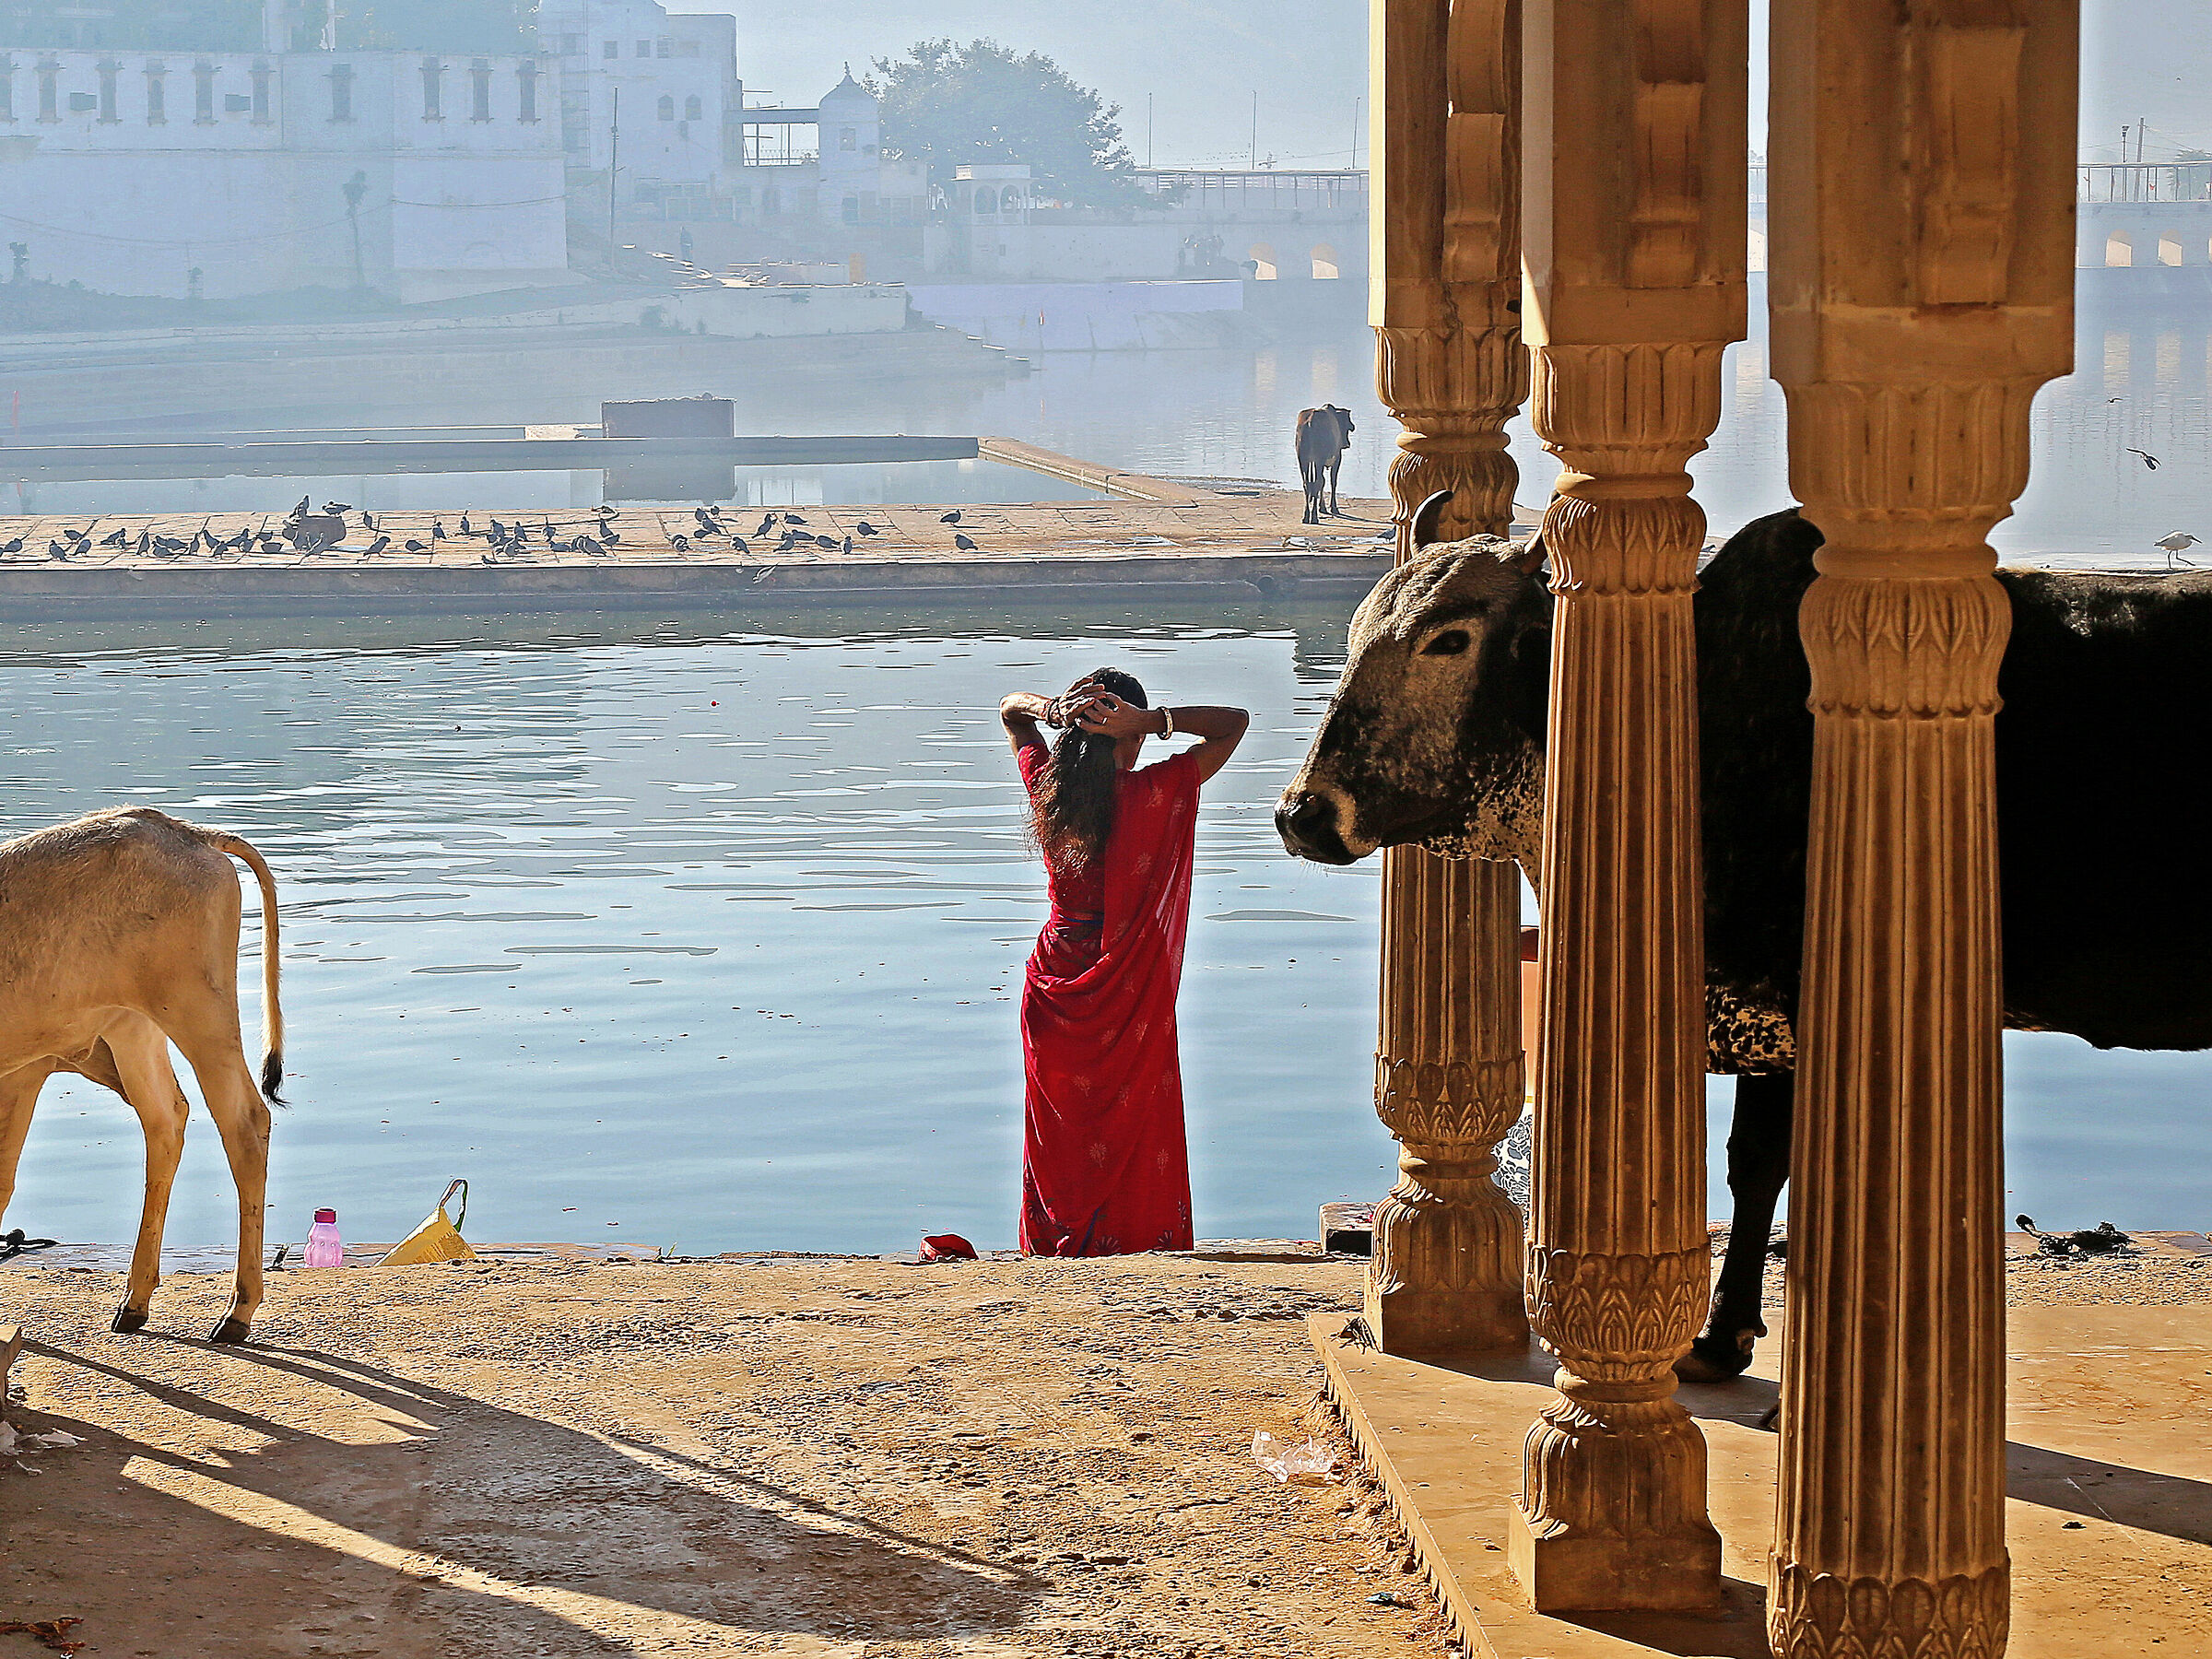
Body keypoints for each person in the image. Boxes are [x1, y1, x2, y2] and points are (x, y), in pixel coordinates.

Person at [999, 671, 1249, 1255]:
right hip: (1127, 987)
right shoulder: (1154, 790)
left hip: (1057, 981)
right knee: (1137, 1119)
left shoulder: (1049, 791)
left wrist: (1050, 709)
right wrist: (1156, 721)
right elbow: (1233, 724)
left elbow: (1011, 711)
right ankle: (1138, 1239)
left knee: (1060, 1129)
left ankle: (1056, 1242)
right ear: (1129, 736)